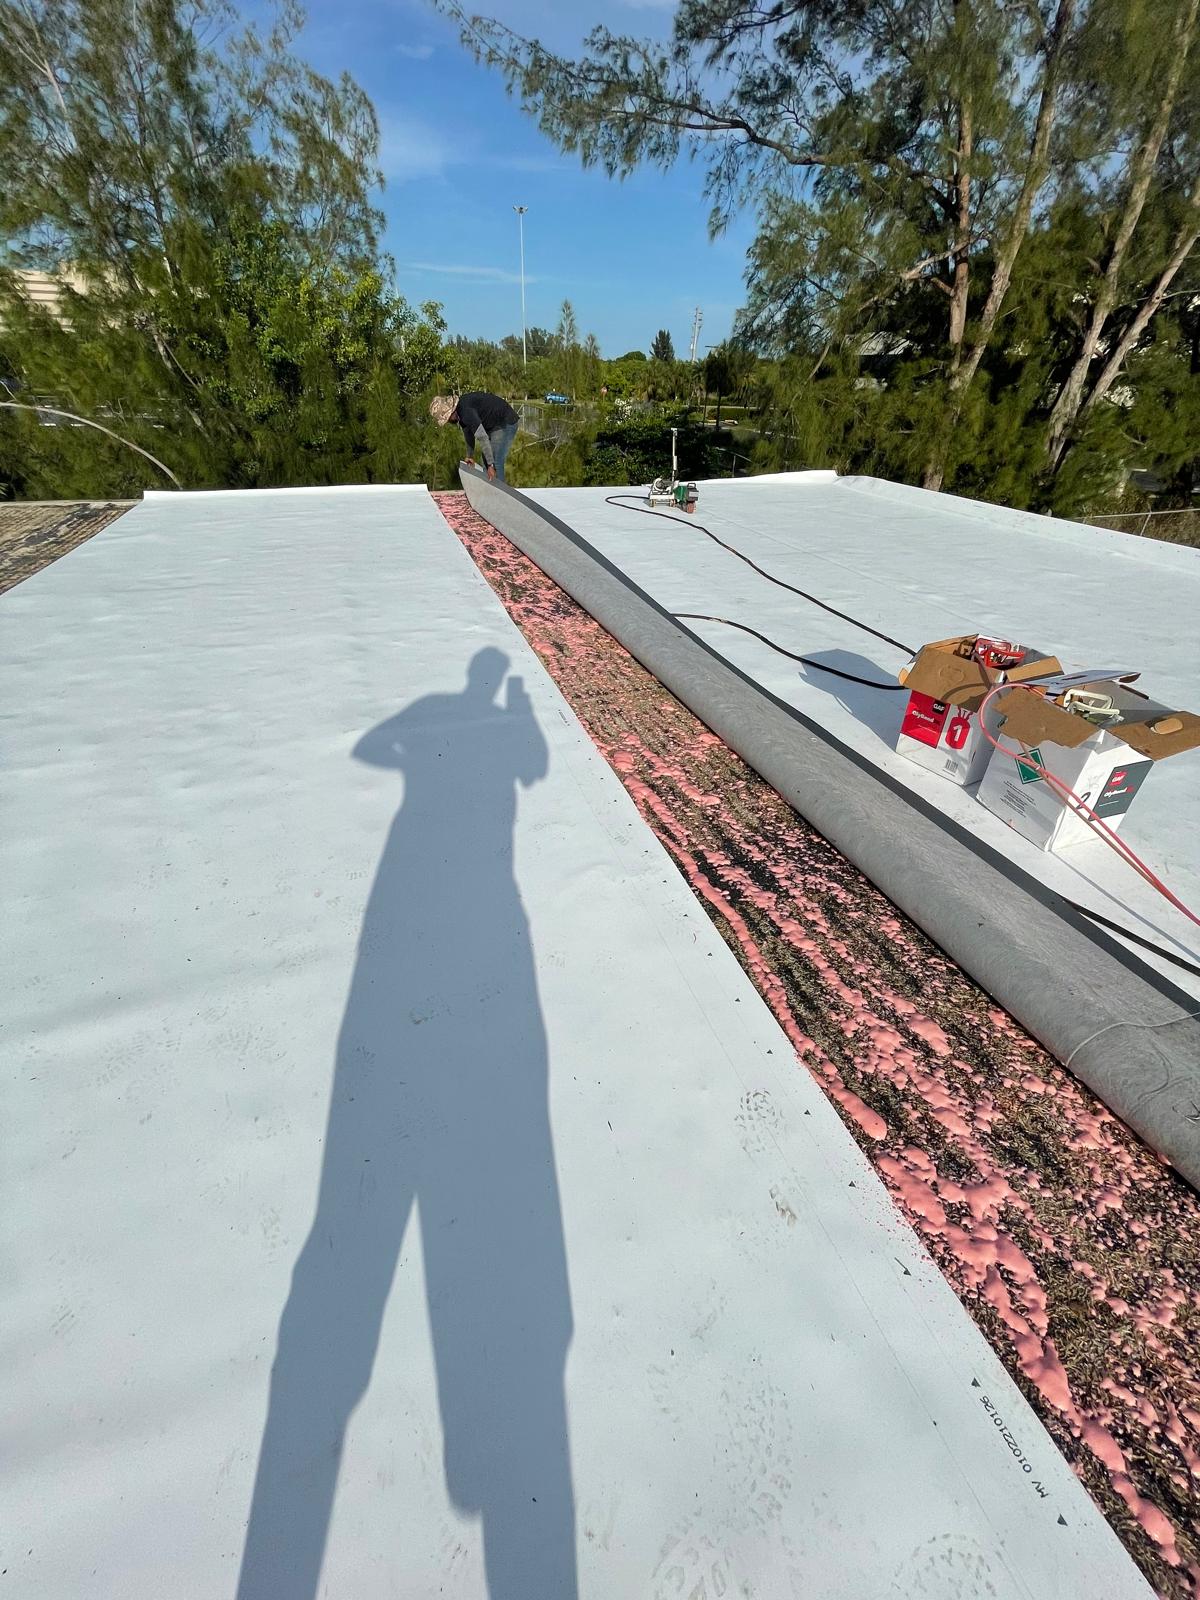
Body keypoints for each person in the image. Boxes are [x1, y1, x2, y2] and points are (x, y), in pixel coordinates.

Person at [430, 391, 520, 483]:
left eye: (448, 419)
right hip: (493, 425)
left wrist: (491, 465)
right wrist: (470, 456)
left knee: (496, 461)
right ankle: (488, 487)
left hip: (505, 421)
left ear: (451, 412)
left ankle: (499, 490)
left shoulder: (466, 411)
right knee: (486, 460)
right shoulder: (460, 413)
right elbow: (468, 434)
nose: (449, 421)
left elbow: (483, 437)